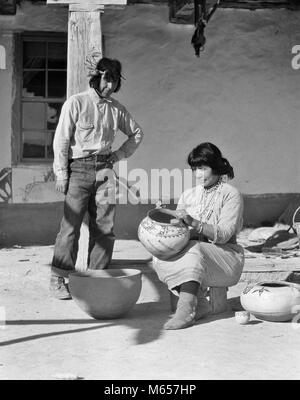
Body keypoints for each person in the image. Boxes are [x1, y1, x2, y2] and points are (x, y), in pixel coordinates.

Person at [50, 57, 143, 299]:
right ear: (97, 77)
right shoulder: (76, 103)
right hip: (78, 170)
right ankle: (60, 277)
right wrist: (61, 173)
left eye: (114, 82)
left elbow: (136, 133)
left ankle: (96, 277)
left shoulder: (117, 109)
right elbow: (61, 139)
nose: (110, 86)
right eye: (107, 79)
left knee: (104, 228)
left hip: (105, 170)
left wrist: (119, 154)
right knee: (70, 227)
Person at [153, 142, 244, 329]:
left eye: (202, 168)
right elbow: (178, 231)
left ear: (216, 167)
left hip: (226, 258)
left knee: (193, 250)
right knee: (160, 254)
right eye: (195, 169)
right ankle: (200, 304)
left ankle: (185, 311)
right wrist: (166, 217)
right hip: (196, 254)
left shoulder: (231, 194)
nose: (198, 174)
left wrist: (195, 223)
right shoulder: (189, 195)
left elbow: (225, 234)